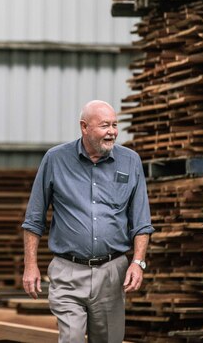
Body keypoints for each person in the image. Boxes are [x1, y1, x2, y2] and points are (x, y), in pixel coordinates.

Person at [22, 99, 154, 343]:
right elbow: (33, 219)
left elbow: (141, 222)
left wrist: (138, 262)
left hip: (112, 272)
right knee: (71, 338)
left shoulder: (130, 161)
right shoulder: (55, 159)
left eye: (115, 125)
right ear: (84, 127)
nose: (112, 132)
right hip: (67, 271)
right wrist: (30, 265)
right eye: (105, 126)